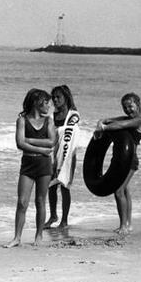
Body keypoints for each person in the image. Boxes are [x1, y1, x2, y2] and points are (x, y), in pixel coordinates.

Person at [3, 89, 56, 248]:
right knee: (22, 202)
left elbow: (51, 142)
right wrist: (40, 149)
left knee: (40, 201)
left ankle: (38, 236)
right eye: (46, 102)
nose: (49, 105)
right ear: (36, 102)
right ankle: (17, 237)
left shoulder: (49, 121)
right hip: (28, 165)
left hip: (44, 166)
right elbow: (19, 144)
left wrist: (28, 140)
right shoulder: (22, 120)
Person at [94, 92, 141, 235]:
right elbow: (111, 120)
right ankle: (128, 224)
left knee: (118, 191)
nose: (128, 109)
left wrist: (103, 128)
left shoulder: (139, 121)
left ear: (138, 104)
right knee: (125, 190)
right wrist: (101, 122)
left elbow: (122, 124)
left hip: (130, 161)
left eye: (130, 106)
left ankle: (123, 225)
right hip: (120, 160)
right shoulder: (127, 118)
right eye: (125, 107)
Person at [44, 85, 79, 229]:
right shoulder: (52, 116)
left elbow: (69, 137)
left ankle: (64, 220)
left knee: (65, 186)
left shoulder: (74, 115)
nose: (55, 100)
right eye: (54, 97)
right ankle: (53, 216)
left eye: (58, 97)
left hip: (68, 156)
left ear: (66, 97)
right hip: (53, 155)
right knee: (51, 187)